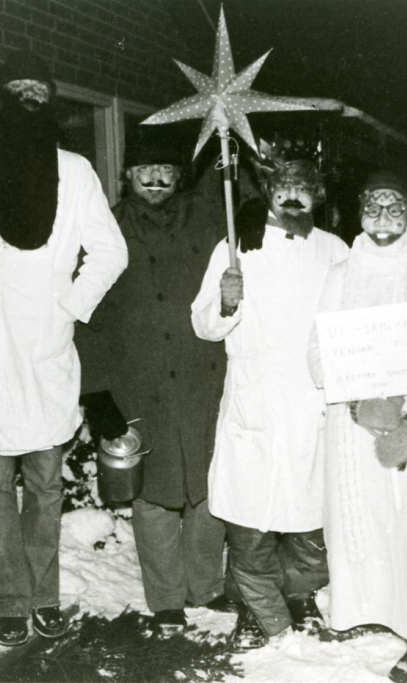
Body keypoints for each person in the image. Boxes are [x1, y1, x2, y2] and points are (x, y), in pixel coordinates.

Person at [0, 51, 127, 647]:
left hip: (47, 345)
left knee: (45, 485)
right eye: (20, 90)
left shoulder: (78, 172)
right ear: (1, 103)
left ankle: (45, 594)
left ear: (50, 105)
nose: (30, 100)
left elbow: (110, 252)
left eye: (41, 90)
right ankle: (7, 599)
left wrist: (69, 305)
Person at [74, 134, 232, 635]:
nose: (156, 178)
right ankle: (165, 598)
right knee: (155, 493)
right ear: (127, 176)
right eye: (144, 171)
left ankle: (206, 585)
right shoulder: (105, 229)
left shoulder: (208, 218)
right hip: (136, 379)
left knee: (209, 484)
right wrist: (96, 392)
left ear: (179, 174)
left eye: (166, 168)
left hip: (203, 373)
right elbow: (86, 316)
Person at [191, 158, 349, 649]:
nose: (294, 196)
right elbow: (202, 324)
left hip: (314, 398)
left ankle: (300, 598)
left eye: (305, 188)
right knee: (250, 513)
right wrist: (226, 301)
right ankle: (255, 610)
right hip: (255, 395)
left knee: (310, 510)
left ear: (319, 195)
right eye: (284, 187)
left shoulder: (336, 251)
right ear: (270, 190)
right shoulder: (237, 245)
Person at [307, 171, 407, 682]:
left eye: (395, 208)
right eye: (374, 207)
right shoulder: (340, 273)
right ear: (360, 211)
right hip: (352, 421)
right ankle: (363, 609)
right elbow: (319, 346)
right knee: (358, 517)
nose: (384, 218)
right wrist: (351, 400)